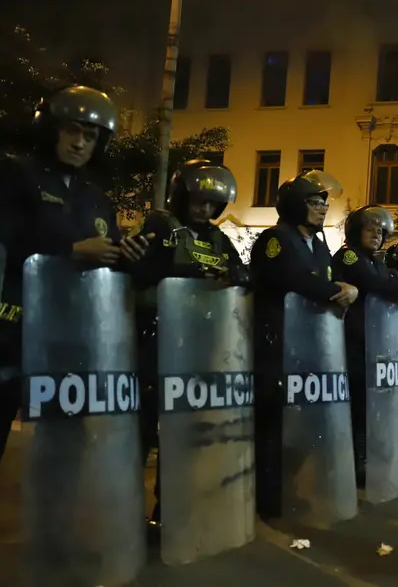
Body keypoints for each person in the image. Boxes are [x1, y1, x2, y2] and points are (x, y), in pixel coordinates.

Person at [0, 85, 149, 490]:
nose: (80, 143)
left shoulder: (95, 199)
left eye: (91, 136)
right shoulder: (14, 174)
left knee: (66, 449)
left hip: (67, 339)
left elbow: (107, 257)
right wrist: (71, 249)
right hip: (9, 331)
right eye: (72, 131)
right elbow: (0, 240)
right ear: (50, 129)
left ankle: (57, 539)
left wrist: (126, 256)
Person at [130, 158, 247, 528]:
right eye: (199, 201)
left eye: (213, 204)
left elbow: (241, 273)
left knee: (185, 433)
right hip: (155, 339)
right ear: (182, 196)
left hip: (198, 346)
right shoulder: (161, 225)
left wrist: (236, 275)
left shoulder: (218, 237)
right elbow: (142, 271)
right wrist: (194, 274)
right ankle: (124, 511)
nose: (206, 209)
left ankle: (170, 510)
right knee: (142, 431)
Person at [248, 170, 357, 518]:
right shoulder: (274, 238)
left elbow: (322, 277)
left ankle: (286, 486)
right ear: (295, 205)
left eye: (324, 203)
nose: (323, 209)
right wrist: (341, 291)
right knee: (271, 423)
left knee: (299, 423)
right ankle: (265, 496)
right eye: (314, 202)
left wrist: (338, 286)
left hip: (305, 347)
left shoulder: (318, 243)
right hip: (274, 344)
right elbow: (296, 279)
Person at [332, 205, 398, 485]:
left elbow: (387, 279)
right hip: (350, 340)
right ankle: (355, 463)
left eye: (381, 232)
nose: (377, 235)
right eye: (371, 229)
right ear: (356, 231)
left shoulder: (374, 261)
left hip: (373, 342)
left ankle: (367, 457)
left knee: (369, 403)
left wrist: (395, 283)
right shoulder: (349, 255)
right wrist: (397, 285)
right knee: (356, 403)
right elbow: (376, 281)